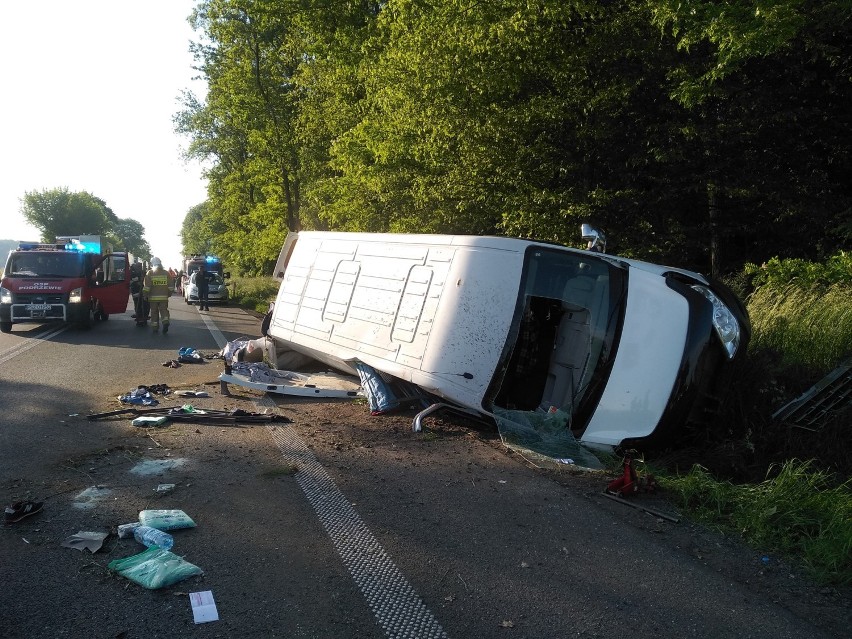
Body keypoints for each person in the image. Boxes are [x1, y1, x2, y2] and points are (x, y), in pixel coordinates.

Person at [143, 257, 174, 334]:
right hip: (164, 297)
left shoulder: (150, 273)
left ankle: (155, 328)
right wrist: (168, 294)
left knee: (154, 312)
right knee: (164, 310)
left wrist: (145, 295)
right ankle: (165, 321)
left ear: (152, 264)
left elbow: (147, 286)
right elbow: (171, 286)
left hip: (153, 298)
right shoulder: (166, 273)